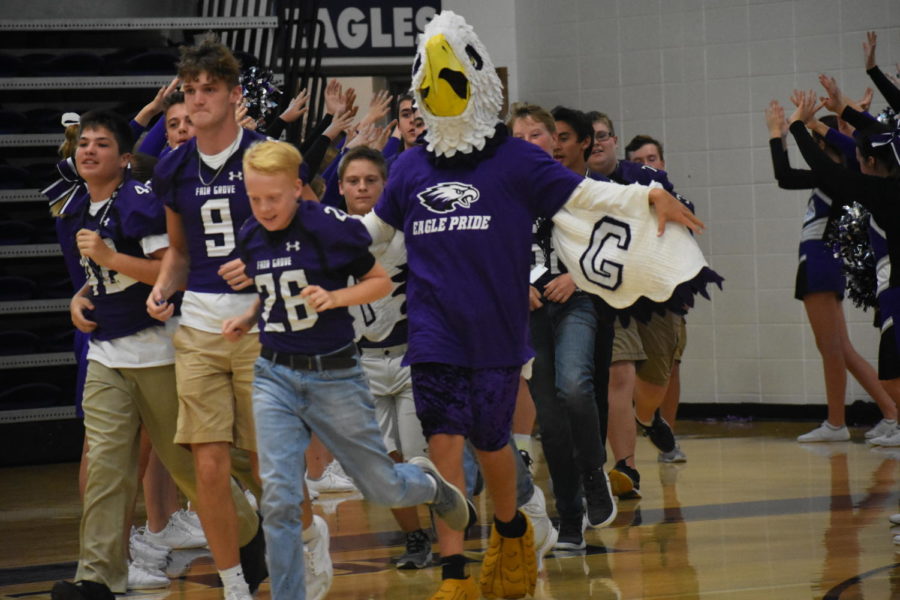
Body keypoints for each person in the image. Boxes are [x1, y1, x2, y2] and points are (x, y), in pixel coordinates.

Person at [361, 11, 708, 600]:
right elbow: (370, 233)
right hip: (432, 326)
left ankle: (512, 524)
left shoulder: (515, 160)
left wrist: (650, 193)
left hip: (496, 326)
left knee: (490, 438)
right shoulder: (411, 166)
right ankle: (453, 572)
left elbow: (586, 194)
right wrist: (305, 238)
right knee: (440, 436)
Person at [221, 139, 470, 600]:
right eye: (254, 199)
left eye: (273, 198)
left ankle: (429, 484)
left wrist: (335, 298)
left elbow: (377, 282)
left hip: (334, 376)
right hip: (273, 375)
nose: (263, 208)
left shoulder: (330, 229)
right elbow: (277, 290)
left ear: (297, 188)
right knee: (277, 498)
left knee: (382, 488)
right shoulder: (251, 233)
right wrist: (249, 317)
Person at [48, 109, 239, 600]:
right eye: (83, 143)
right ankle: (97, 576)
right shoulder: (71, 211)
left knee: (189, 467)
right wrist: (78, 298)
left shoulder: (139, 203)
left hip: (159, 350)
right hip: (106, 353)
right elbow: (95, 282)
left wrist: (111, 259)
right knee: (108, 467)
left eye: (102, 144)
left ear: (125, 157)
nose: (89, 150)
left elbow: (169, 271)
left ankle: (251, 539)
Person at [144, 35, 268, 600]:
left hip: (259, 326)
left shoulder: (266, 156)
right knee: (210, 466)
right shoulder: (172, 167)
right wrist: (164, 286)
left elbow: (308, 239)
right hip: (196, 325)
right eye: (189, 90)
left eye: (208, 89)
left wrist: (260, 268)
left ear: (234, 95)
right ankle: (234, 582)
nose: (196, 100)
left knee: (269, 468)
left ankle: (303, 546)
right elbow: (179, 250)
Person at [509, 103, 617, 551]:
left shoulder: (587, 189)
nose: (530, 142)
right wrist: (518, 285)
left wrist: (579, 276)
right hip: (532, 310)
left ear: (554, 140)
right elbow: (492, 251)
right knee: (549, 422)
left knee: (575, 387)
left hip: (580, 301)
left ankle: (595, 475)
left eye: (538, 134)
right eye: (520, 136)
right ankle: (569, 516)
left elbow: (613, 245)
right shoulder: (506, 193)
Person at [766, 97, 897, 443]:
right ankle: (882, 413)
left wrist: (778, 133)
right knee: (842, 348)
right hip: (821, 263)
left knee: (832, 349)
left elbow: (785, 174)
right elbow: (785, 177)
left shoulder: (839, 179)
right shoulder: (830, 179)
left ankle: (848, 421)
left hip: (821, 262)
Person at [587, 111, 691, 499]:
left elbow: (681, 220)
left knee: (654, 384)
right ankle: (626, 468)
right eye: (590, 137)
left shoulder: (648, 179)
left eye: (602, 135)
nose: (596, 142)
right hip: (609, 296)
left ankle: (646, 417)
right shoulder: (576, 186)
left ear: (615, 140)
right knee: (620, 374)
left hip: (655, 295)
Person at [624, 134, 691, 449]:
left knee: (668, 369)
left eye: (651, 159)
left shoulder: (679, 200)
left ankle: (664, 431)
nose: (646, 166)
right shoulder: (619, 199)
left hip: (666, 298)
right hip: (626, 298)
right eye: (638, 162)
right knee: (620, 370)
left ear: (662, 164)